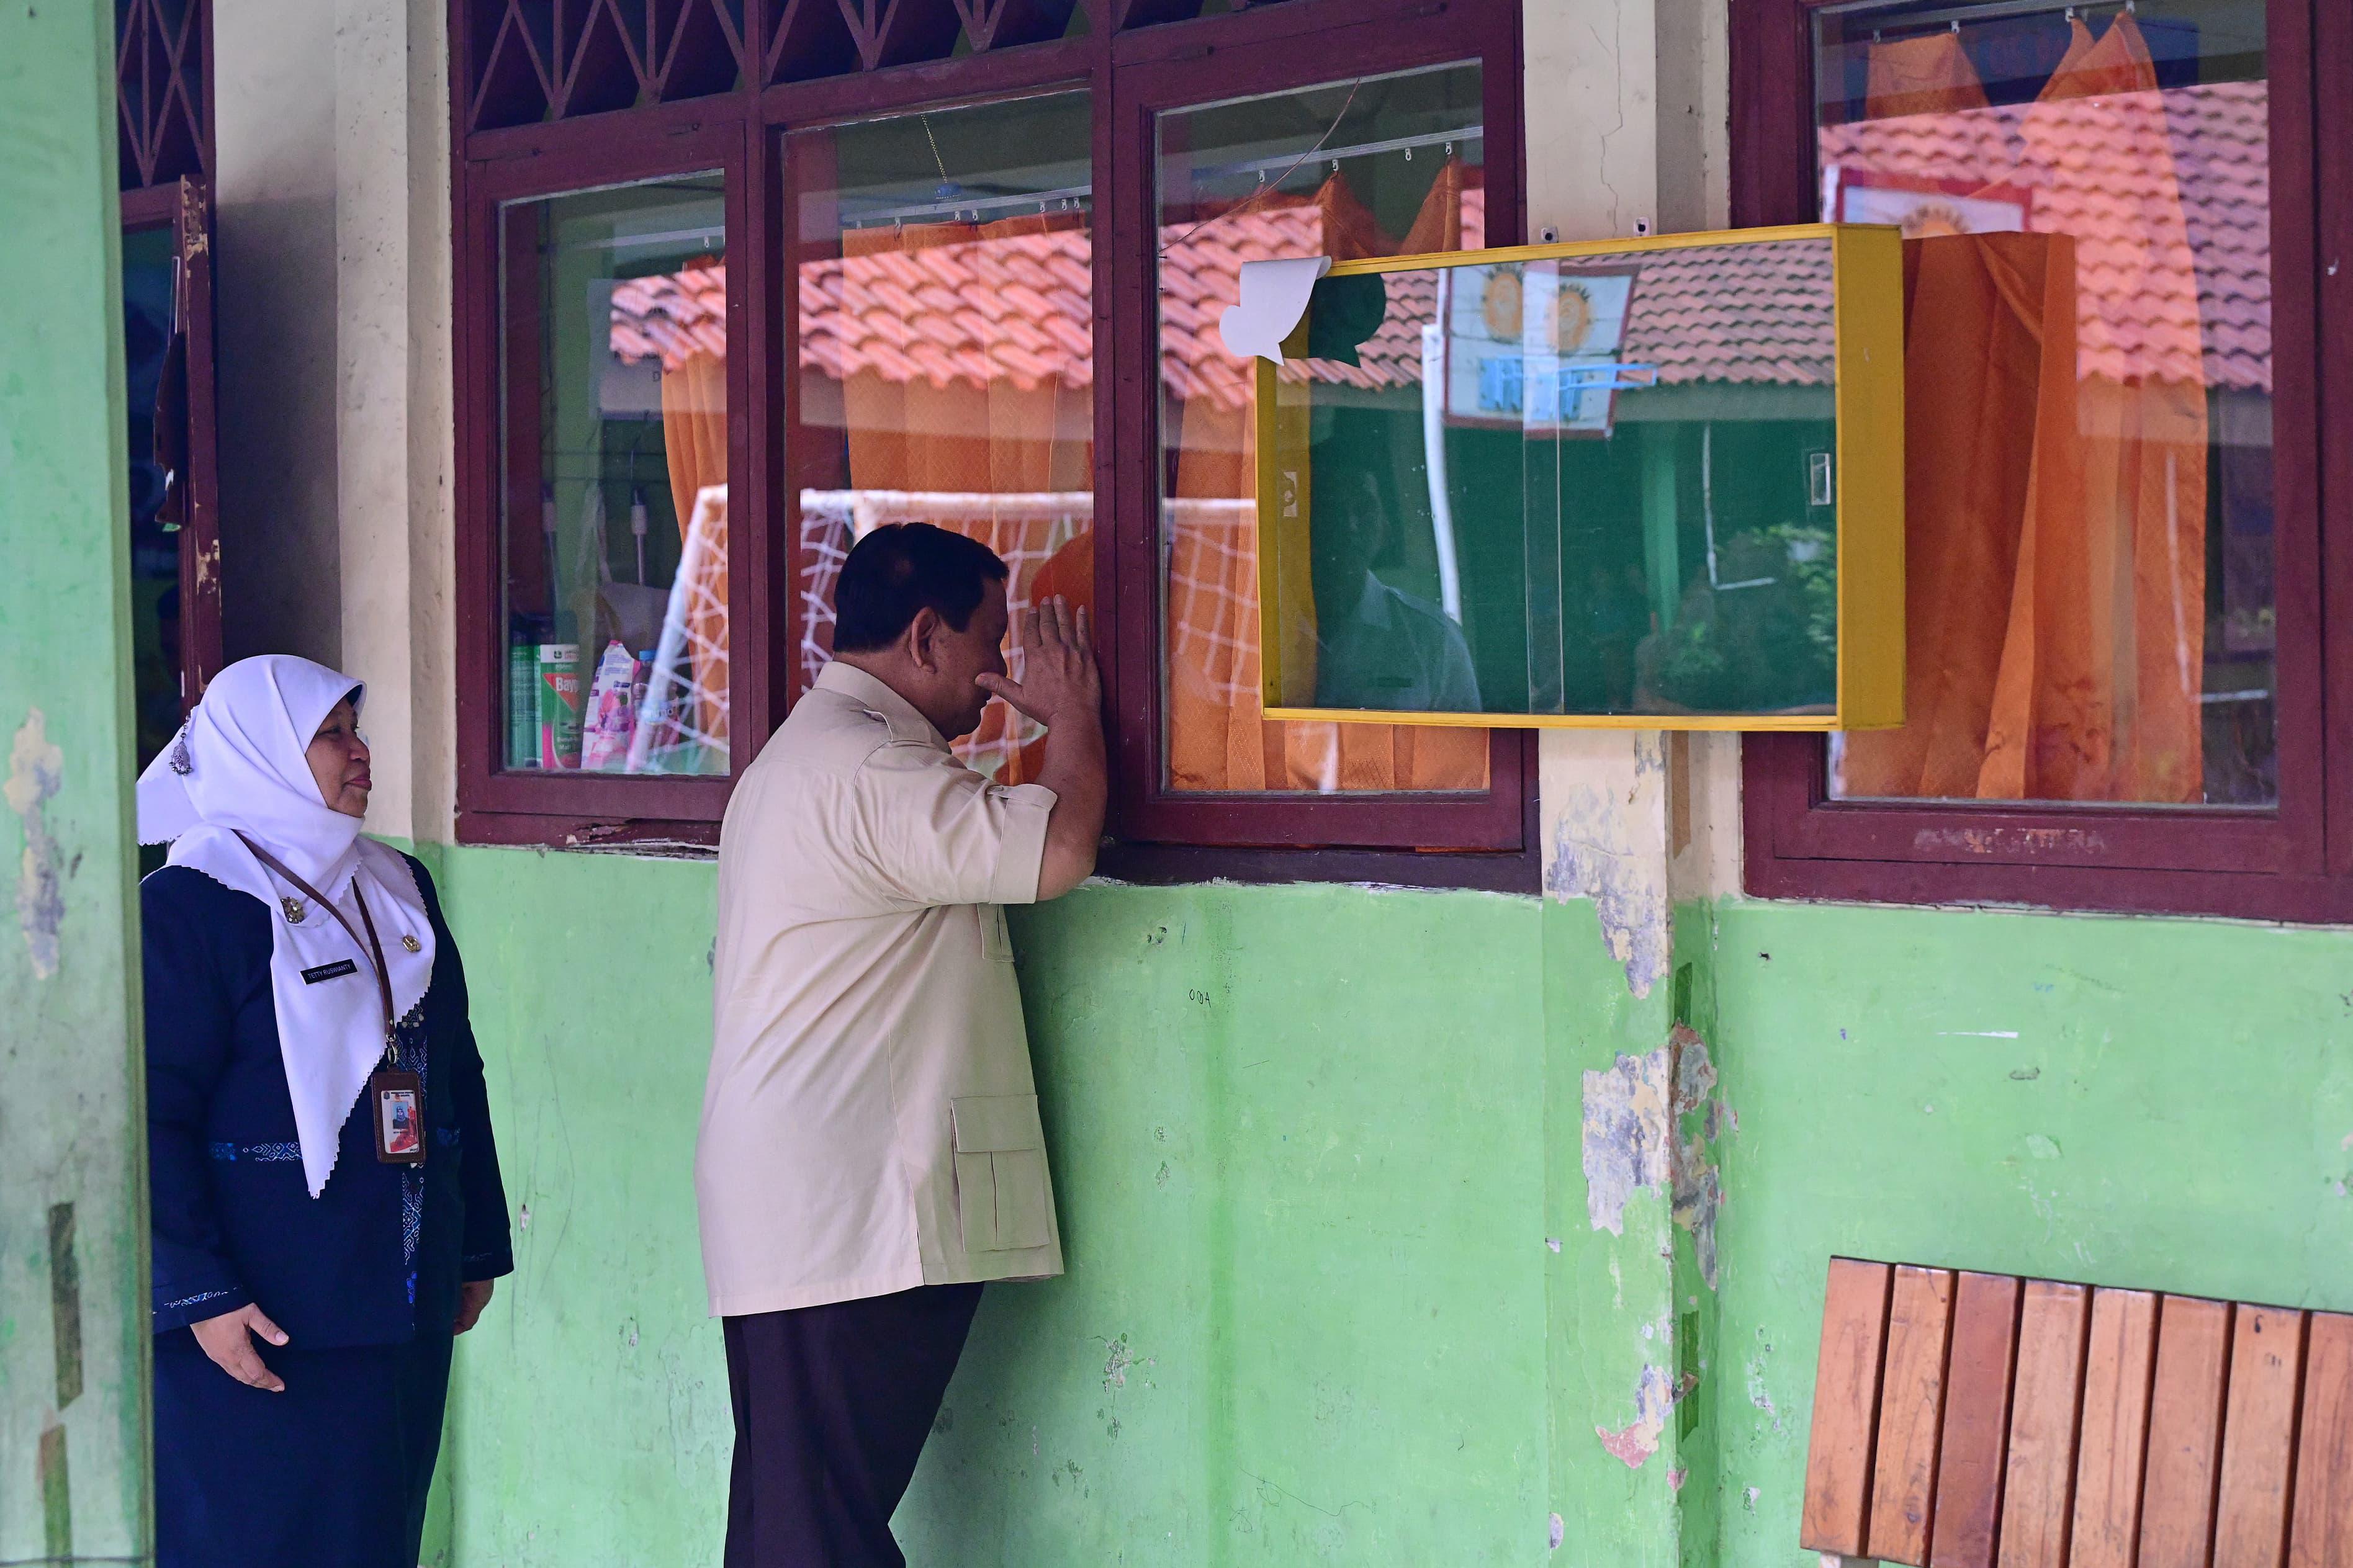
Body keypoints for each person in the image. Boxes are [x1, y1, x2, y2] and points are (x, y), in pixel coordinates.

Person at [696, 522, 1107, 1567]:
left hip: (810, 1206)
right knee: (818, 1529)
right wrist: (1073, 721)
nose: (999, 676)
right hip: (844, 1213)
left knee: (799, 1518)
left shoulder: (812, 756)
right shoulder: (868, 767)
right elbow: (1058, 849)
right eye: (990, 643)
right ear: (925, 637)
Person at [137, 655, 514, 1568]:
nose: (363, 753)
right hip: (258, 1324)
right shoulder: (188, 907)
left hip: (397, 1301)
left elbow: (455, 1069)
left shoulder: (400, 888)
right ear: (262, 752)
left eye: (357, 728)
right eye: (333, 734)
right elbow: (148, 1119)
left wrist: (472, 1247)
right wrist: (200, 1293)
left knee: (376, 1542)